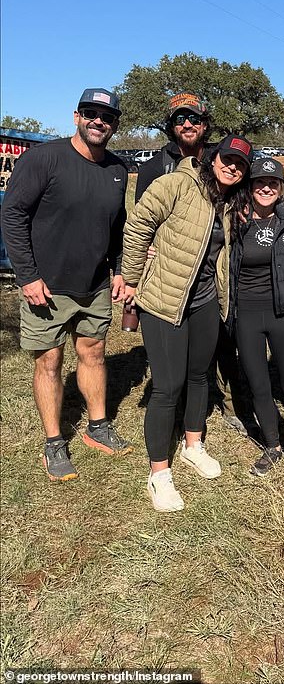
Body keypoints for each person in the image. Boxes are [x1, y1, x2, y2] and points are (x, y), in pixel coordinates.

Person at [1, 88, 132, 481]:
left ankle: (97, 427)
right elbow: (13, 215)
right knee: (50, 361)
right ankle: (54, 442)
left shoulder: (117, 168)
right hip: (47, 285)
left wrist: (120, 269)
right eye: (91, 114)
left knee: (93, 354)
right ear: (77, 116)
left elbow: (118, 228)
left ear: (114, 125)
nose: (99, 122)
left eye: (107, 117)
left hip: (93, 286)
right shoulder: (44, 158)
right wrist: (28, 276)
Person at [121, 133, 253, 512]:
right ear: (213, 159)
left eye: (240, 164)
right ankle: (159, 473)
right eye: (227, 159)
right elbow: (137, 226)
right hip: (165, 300)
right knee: (168, 385)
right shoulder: (177, 184)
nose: (232, 167)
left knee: (200, 377)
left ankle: (193, 444)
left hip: (205, 302)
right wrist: (130, 279)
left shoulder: (229, 203)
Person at [135, 93, 251, 435]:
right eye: (180, 120)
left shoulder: (221, 159)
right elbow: (144, 219)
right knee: (173, 366)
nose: (187, 125)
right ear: (171, 126)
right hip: (172, 277)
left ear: (205, 125)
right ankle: (173, 411)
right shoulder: (156, 167)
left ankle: (224, 407)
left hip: (212, 279)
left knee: (218, 350)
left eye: (194, 119)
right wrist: (142, 261)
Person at [227, 157, 284, 490]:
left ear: (281, 189)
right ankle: (272, 445)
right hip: (246, 315)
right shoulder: (234, 221)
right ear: (250, 188)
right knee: (259, 384)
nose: (266, 188)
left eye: (273, 183)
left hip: (282, 313)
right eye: (259, 183)